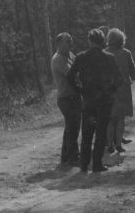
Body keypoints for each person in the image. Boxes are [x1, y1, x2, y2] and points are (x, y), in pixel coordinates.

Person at [67, 28, 122, 173]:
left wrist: (80, 90)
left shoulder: (81, 57)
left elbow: (70, 76)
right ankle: (97, 164)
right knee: (101, 133)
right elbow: (119, 78)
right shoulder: (109, 58)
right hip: (104, 101)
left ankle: (84, 165)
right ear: (103, 41)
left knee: (87, 133)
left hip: (88, 100)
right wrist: (111, 91)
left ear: (89, 41)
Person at [51, 32, 81, 168]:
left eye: (71, 41)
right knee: (72, 127)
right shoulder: (58, 59)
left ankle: (66, 156)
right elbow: (73, 74)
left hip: (73, 96)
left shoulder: (70, 55)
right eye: (67, 41)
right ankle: (73, 157)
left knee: (72, 126)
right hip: (66, 98)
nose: (71, 44)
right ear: (58, 44)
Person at [105, 28, 135, 153]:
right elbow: (133, 69)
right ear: (121, 40)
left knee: (110, 118)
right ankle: (118, 144)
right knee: (120, 118)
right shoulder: (126, 53)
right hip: (123, 88)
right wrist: (132, 78)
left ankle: (109, 145)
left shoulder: (104, 53)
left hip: (108, 90)